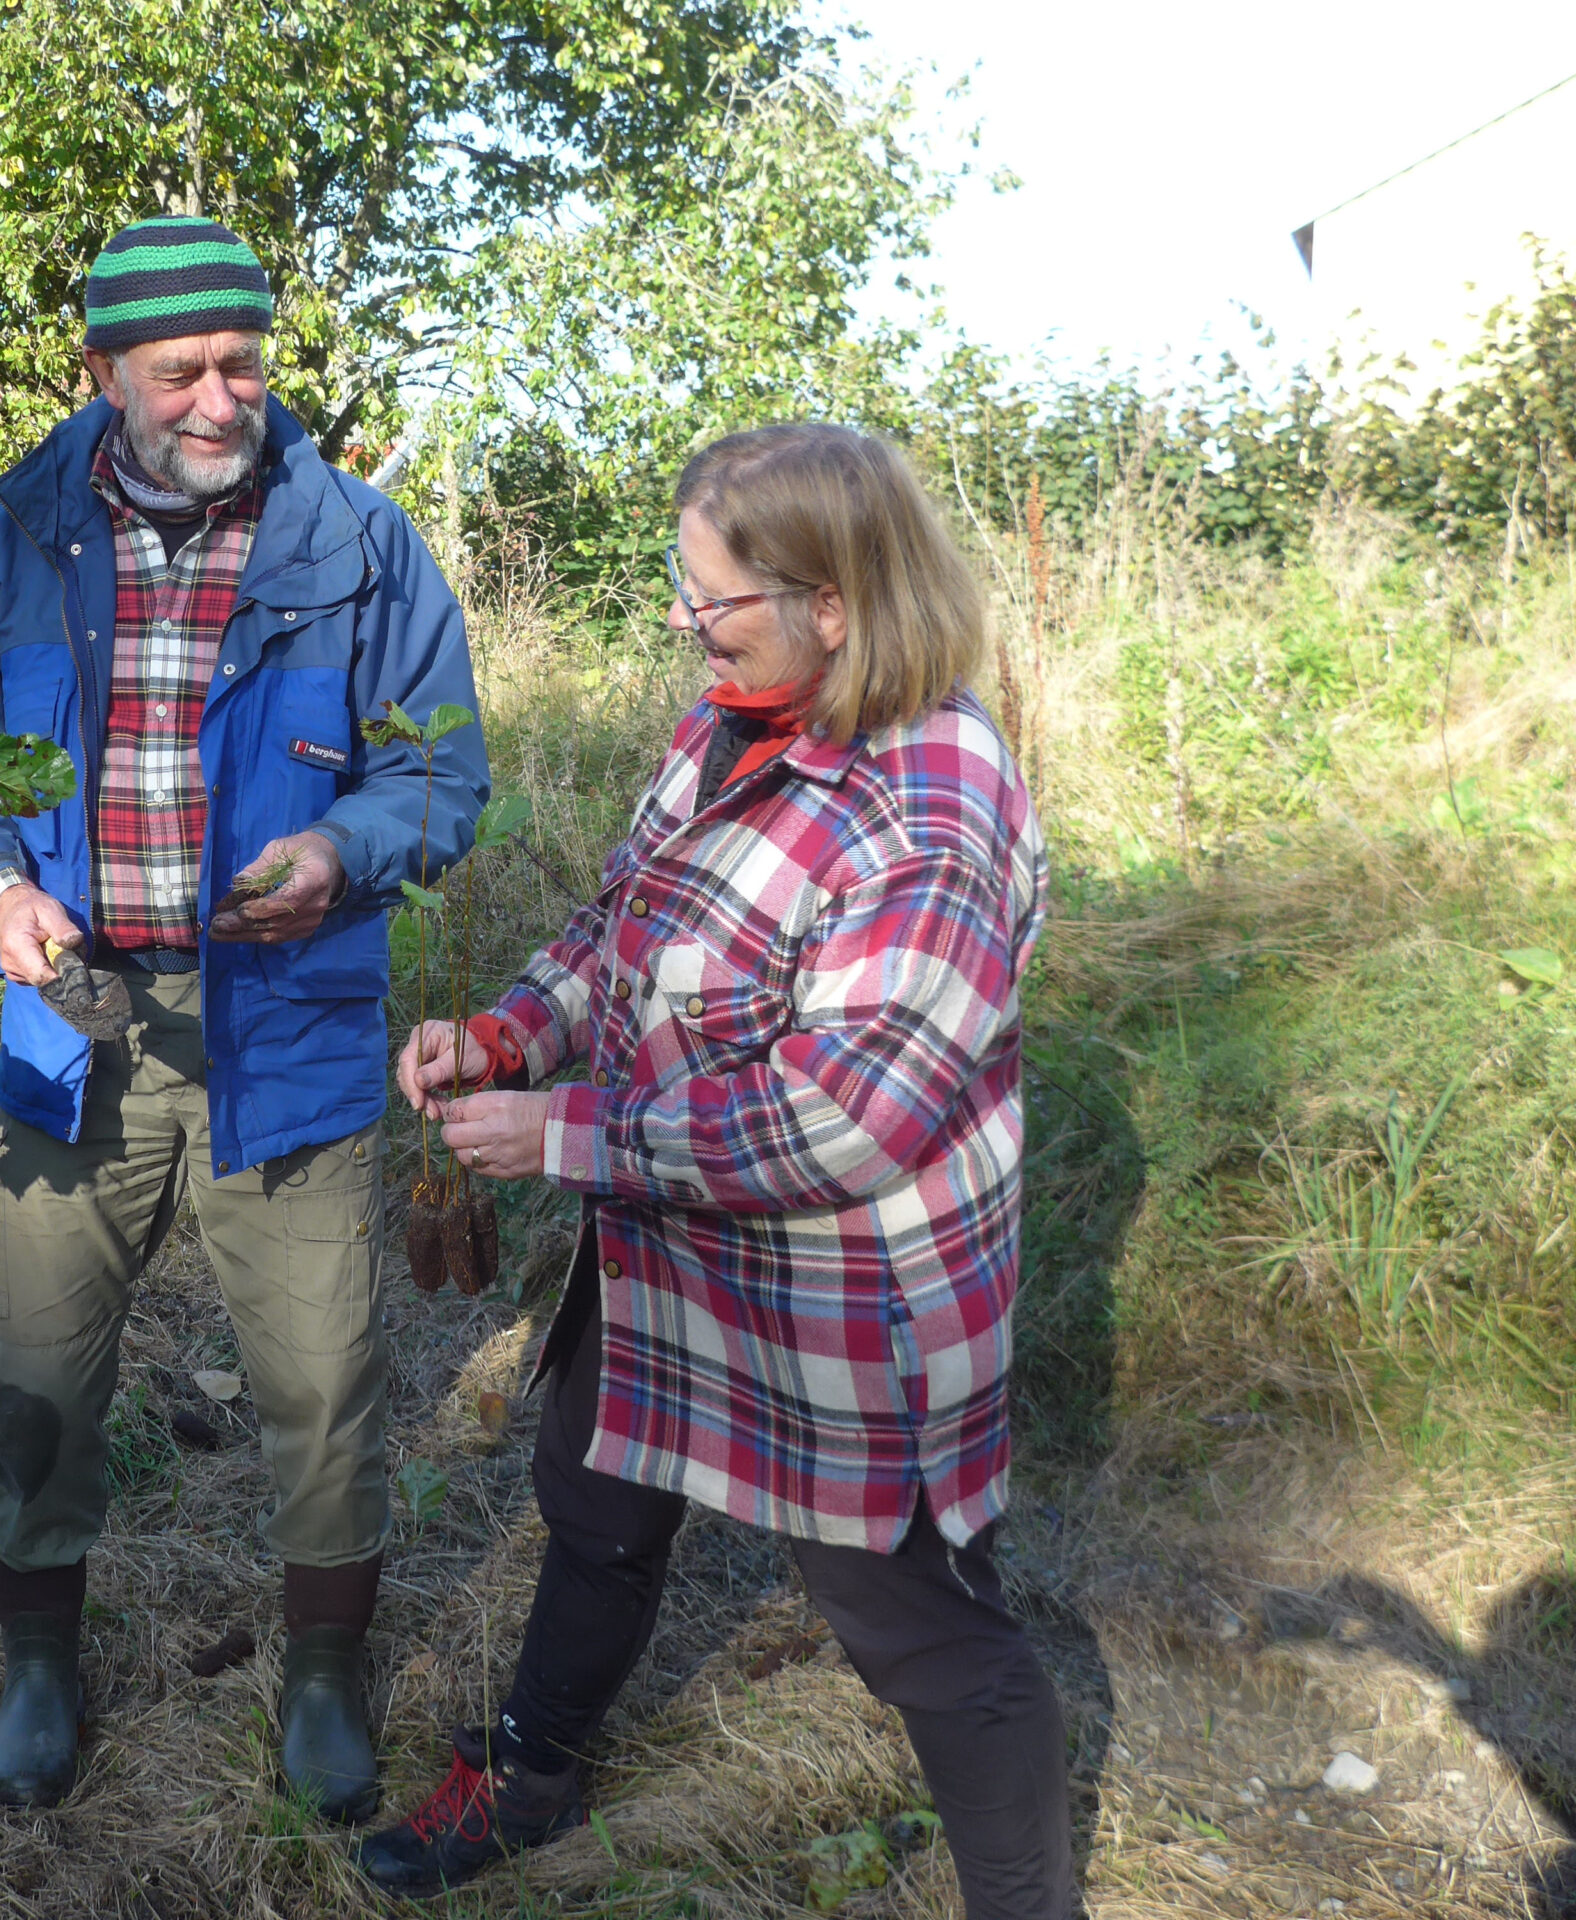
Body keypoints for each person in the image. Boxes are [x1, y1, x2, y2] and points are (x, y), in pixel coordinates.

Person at [360, 423, 1071, 1916]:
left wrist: (561, 1135)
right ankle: (531, 1771)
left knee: (917, 1627)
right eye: (683, 594)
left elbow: (843, 1122)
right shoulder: (731, 722)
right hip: (674, 1235)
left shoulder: (930, 807)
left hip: (842, 1288)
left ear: (836, 601)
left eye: (715, 600)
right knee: (594, 1489)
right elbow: (622, 928)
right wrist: (508, 1035)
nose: (689, 628)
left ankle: (1025, 1897)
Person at [0, 216, 487, 1824]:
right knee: (43, 1361)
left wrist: (340, 853)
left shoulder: (364, 548)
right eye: (180, 371)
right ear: (101, 375)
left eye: (243, 362)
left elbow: (443, 776)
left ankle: (321, 1686)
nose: (220, 398)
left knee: (324, 1371)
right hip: (73, 1024)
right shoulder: (12, 543)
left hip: (284, 1021)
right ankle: (39, 1670)